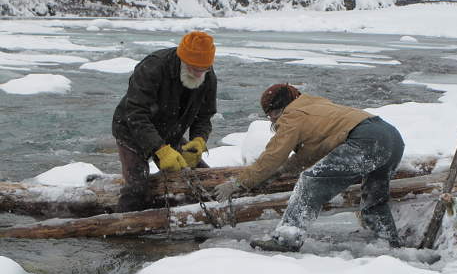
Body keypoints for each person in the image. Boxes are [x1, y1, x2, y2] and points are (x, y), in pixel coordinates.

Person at [214, 84, 404, 251]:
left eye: (270, 115)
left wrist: (238, 183)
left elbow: (273, 156)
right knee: (374, 197)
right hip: (391, 137)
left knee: (310, 181)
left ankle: (287, 238)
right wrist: (283, 170)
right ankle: (388, 244)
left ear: (276, 110)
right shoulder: (315, 105)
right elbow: (312, 152)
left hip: (366, 140)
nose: (272, 121)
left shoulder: (292, 115)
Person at [112, 31, 217, 212]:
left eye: (204, 69)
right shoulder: (154, 67)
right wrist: (159, 149)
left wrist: (199, 140)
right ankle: (119, 231)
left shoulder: (208, 76)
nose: (199, 74)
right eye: (194, 68)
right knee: (137, 187)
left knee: (204, 179)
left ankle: (196, 223)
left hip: (170, 132)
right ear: (183, 60)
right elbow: (136, 113)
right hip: (131, 131)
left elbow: (204, 116)